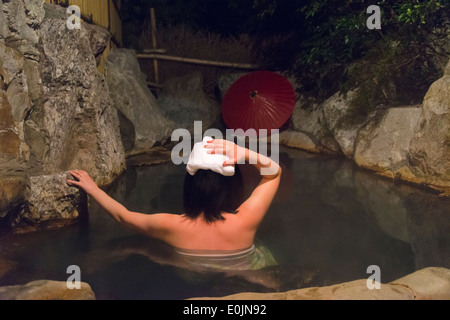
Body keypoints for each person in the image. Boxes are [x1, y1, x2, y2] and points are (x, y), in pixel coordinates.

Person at [67, 138, 281, 257]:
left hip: (192, 275)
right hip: (243, 274)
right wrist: (243, 152)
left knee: (146, 248)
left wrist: (93, 188)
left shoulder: (171, 225)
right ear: (233, 186)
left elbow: (122, 216)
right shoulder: (246, 220)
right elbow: (274, 173)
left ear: (190, 186)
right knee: (261, 253)